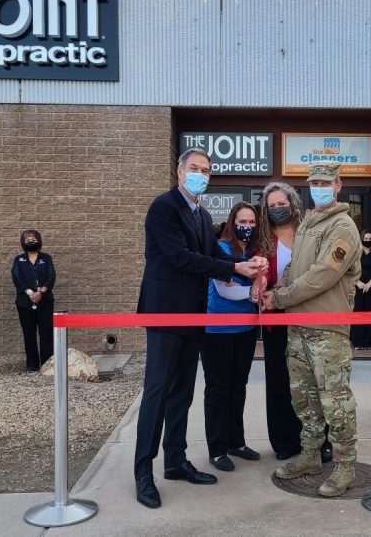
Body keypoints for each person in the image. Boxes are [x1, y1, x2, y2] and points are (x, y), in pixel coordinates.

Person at [134, 148, 265, 509]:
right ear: (179, 172)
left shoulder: (203, 215)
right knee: (157, 392)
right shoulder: (164, 207)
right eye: (194, 168)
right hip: (165, 314)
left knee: (182, 393)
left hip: (194, 317)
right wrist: (234, 270)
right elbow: (180, 258)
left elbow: (214, 253)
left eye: (206, 170)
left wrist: (245, 262)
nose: (200, 175)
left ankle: (175, 461)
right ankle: (143, 471)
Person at [261, 161, 362, 498]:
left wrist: (282, 297)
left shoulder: (343, 227)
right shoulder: (307, 223)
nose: (318, 187)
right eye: (313, 182)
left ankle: (345, 465)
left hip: (327, 330)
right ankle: (310, 456)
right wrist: (273, 291)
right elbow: (293, 269)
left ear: (338, 185)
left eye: (325, 182)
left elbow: (322, 275)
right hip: (298, 328)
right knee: (304, 400)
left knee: (336, 402)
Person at [200, 202, 263, 472]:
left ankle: (236, 442)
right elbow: (225, 290)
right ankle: (217, 448)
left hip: (246, 329)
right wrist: (251, 294)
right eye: (242, 222)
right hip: (217, 331)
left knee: (238, 387)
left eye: (251, 223)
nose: (246, 227)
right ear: (231, 222)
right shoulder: (221, 249)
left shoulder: (255, 253)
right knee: (217, 389)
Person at [258, 181, 308, 461]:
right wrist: (261, 281)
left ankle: (314, 439)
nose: (278, 209)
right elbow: (261, 272)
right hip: (276, 318)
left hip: (308, 317)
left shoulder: (307, 233)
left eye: (282, 204)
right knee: (279, 381)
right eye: (272, 206)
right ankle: (284, 442)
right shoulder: (264, 238)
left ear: (292, 203)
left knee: (309, 382)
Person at [11, 229, 55, 373]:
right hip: (25, 302)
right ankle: (32, 363)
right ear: (23, 243)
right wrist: (30, 293)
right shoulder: (18, 260)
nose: (31, 241)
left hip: (45, 301)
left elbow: (51, 276)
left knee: (46, 333)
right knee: (28, 333)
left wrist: (41, 292)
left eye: (33, 239)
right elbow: (17, 278)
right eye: (28, 240)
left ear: (39, 240)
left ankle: (47, 363)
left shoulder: (46, 258)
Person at [350, 229, 371, 349]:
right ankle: (357, 342)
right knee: (358, 313)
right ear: (361, 238)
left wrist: (370, 283)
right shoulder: (356, 252)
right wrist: (358, 282)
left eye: (370, 239)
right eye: (366, 239)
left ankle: (369, 343)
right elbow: (349, 269)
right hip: (358, 287)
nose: (368, 241)